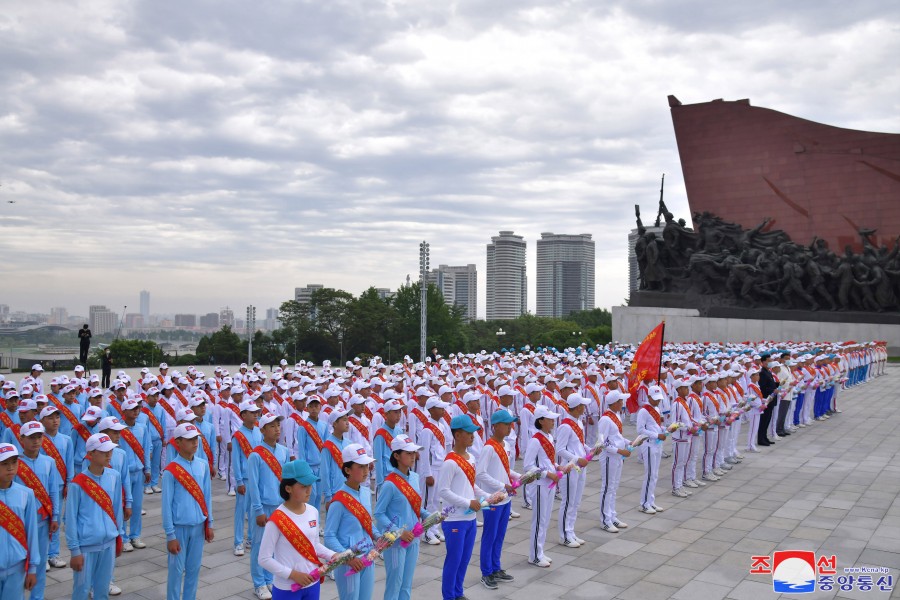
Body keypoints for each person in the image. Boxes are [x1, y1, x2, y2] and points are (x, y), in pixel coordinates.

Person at [259, 459, 334, 600]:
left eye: (310, 485)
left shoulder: (313, 511)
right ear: (288, 488)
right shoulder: (276, 520)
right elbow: (264, 559)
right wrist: (293, 575)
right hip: (287, 588)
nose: (309, 490)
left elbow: (315, 545)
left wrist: (333, 555)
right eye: (304, 486)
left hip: (312, 582)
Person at [66, 433, 124, 600]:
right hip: (86, 546)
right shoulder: (78, 484)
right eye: (104, 451)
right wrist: (75, 550)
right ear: (90, 454)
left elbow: (117, 511)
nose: (109, 455)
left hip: (109, 544)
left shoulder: (114, 476)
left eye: (110, 451)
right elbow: (70, 519)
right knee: (81, 591)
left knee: (102, 590)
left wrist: (118, 537)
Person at [162, 423, 215, 600]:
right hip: (178, 528)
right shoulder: (171, 470)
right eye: (190, 439)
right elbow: (166, 505)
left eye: (196, 439)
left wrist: (210, 522)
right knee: (176, 571)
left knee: (194, 569)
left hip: (198, 526)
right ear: (178, 442)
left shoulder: (202, 465)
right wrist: (170, 535)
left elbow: (207, 496)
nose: (195, 442)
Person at [373, 434, 428, 600]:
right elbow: (378, 513)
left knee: (406, 583)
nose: (413, 456)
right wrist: (398, 532)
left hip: (414, 538)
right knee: (394, 583)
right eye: (408, 453)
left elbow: (416, 507)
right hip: (396, 542)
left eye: (414, 453)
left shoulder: (415, 477)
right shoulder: (389, 484)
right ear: (396, 456)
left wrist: (429, 516)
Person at [438, 415, 485, 600]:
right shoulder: (450, 462)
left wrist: (487, 496)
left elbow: (471, 485)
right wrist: (468, 503)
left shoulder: (471, 458)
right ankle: (449, 596)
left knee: (464, 560)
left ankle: (458, 593)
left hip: (470, 519)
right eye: (469, 433)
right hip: (454, 519)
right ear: (457, 435)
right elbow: (443, 491)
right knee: (454, 561)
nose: (473, 436)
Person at [323, 443, 376, 600]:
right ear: (347, 470)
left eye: (367, 466)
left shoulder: (366, 493)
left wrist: (380, 537)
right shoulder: (339, 500)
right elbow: (329, 536)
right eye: (361, 466)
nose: (366, 470)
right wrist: (348, 558)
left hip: (368, 557)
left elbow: (367, 523)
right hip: (349, 562)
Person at [15, 421, 61, 600]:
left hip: (42, 520)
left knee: (40, 562)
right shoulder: (15, 463)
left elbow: (53, 491)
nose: (36, 441)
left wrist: (55, 516)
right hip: (19, 522)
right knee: (18, 563)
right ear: (22, 439)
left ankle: (37, 597)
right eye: (31, 437)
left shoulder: (49, 462)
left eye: (39, 437)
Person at [248, 413, 291, 600]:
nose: (277, 429)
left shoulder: (284, 451)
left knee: (276, 545)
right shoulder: (256, 455)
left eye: (278, 426)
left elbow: (287, 480)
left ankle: (269, 579)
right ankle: (259, 583)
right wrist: (258, 510)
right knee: (259, 547)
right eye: (272, 426)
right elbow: (253, 485)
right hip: (263, 506)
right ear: (263, 430)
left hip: (280, 505)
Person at [474, 409, 518, 590]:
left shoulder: (506, 445)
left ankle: (496, 567)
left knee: (500, 535)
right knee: (489, 536)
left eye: (510, 424)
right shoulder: (489, 447)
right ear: (496, 426)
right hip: (492, 499)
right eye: (506, 425)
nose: (510, 428)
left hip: (505, 499)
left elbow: (506, 471)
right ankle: (486, 572)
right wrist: (502, 485)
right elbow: (480, 473)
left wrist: (520, 476)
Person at [523, 405, 564, 566]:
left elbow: (547, 460)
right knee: (539, 519)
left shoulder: (548, 436)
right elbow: (528, 465)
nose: (553, 421)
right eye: (549, 419)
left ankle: (539, 551)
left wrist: (556, 466)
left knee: (545, 519)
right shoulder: (535, 440)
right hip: (540, 484)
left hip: (550, 483)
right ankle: (534, 555)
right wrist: (548, 473)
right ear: (541, 421)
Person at [0, 443, 40, 599]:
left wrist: (32, 569)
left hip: (17, 568)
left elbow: (31, 533)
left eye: (14, 462)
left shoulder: (26, 494)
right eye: (4, 464)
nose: (10, 467)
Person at [39, 405, 73, 569]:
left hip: (59, 487)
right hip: (39, 488)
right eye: (51, 418)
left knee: (55, 520)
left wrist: (68, 482)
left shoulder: (66, 439)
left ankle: (53, 553)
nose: (55, 421)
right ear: (42, 420)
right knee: (42, 521)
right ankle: (42, 555)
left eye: (57, 417)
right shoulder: (38, 440)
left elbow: (69, 463)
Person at [556, 394, 591, 547]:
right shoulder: (565, 426)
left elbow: (579, 444)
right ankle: (564, 534)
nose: (584, 407)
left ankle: (570, 531)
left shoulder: (578, 422)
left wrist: (589, 450)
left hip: (581, 467)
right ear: (577, 407)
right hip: (570, 468)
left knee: (576, 502)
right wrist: (577, 459)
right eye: (583, 405)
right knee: (568, 501)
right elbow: (560, 449)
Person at [597, 391, 631, 533]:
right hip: (609, 456)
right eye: (621, 401)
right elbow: (602, 443)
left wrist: (628, 442)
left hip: (617, 456)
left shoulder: (616, 415)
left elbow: (617, 436)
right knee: (607, 487)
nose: (622, 404)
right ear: (615, 403)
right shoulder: (605, 419)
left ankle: (612, 515)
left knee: (614, 487)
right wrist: (619, 450)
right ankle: (605, 519)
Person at [232, 400, 262, 557]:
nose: (256, 414)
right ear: (243, 415)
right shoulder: (238, 435)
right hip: (244, 478)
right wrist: (238, 481)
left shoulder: (259, 431)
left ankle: (251, 538)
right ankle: (238, 542)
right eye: (252, 412)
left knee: (254, 510)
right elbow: (236, 460)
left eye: (257, 411)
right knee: (240, 511)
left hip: (257, 477)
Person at [636, 386, 667, 514]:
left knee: (655, 474)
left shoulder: (657, 408)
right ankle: (644, 503)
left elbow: (655, 426)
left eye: (659, 399)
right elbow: (640, 430)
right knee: (649, 475)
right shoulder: (643, 411)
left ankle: (650, 501)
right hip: (648, 445)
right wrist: (656, 435)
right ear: (648, 397)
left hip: (657, 444)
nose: (657, 401)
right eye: (655, 399)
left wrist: (665, 430)